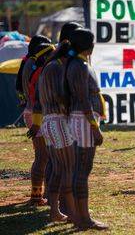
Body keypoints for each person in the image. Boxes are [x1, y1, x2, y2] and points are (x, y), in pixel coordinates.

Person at [35, 22, 82, 224]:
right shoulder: (56, 68)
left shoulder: (51, 65)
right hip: (58, 122)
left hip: (50, 122)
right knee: (68, 168)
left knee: (58, 168)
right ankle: (72, 213)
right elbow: (59, 96)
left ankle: (55, 211)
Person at [66, 28, 108, 230]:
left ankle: (79, 216)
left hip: (81, 120)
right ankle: (84, 219)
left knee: (81, 169)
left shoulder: (78, 64)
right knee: (83, 169)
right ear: (88, 45)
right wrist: (95, 127)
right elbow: (83, 99)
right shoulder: (80, 66)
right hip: (84, 121)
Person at [21, 38, 54, 206]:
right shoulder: (42, 72)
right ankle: (38, 196)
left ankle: (42, 194)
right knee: (43, 157)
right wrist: (36, 123)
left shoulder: (35, 69)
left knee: (42, 157)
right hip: (36, 116)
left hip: (33, 114)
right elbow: (39, 101)